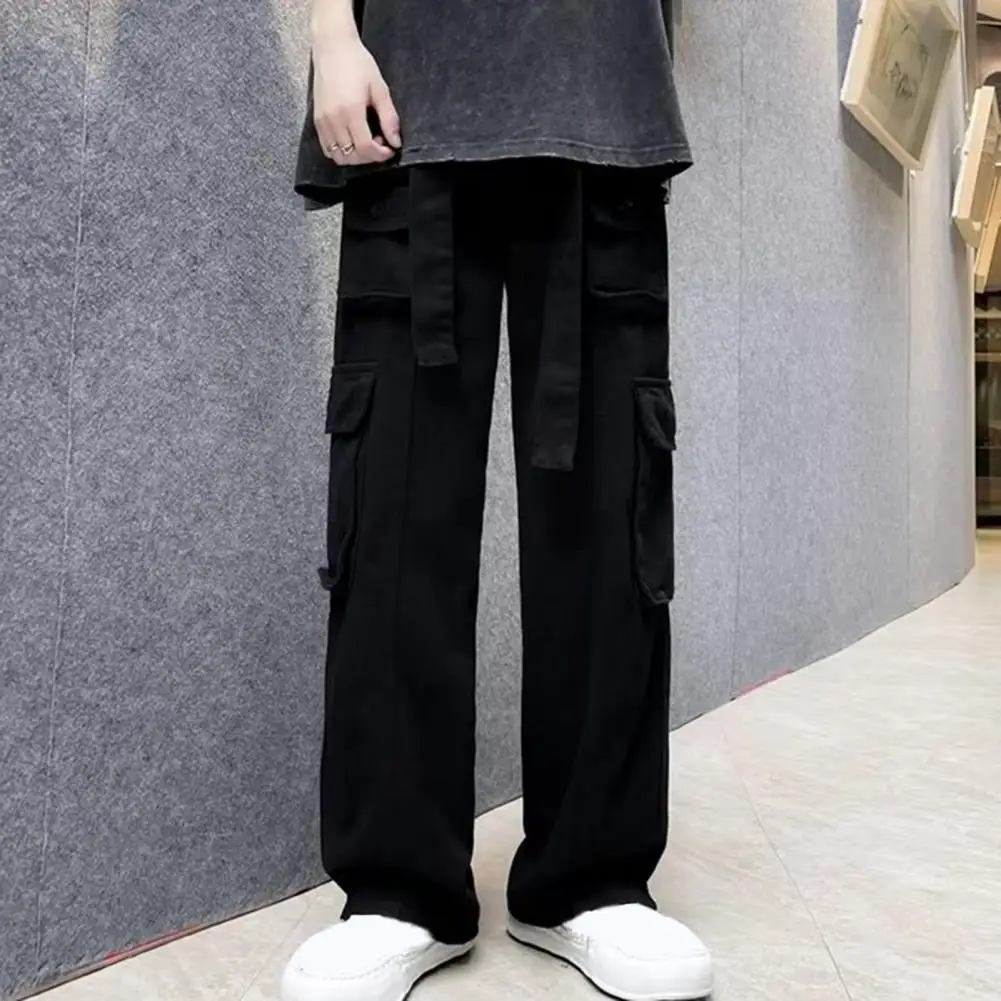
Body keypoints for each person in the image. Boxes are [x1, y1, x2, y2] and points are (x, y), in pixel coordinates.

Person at [283, 1, 713, 999]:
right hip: (410, 97)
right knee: (396, 509)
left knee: (605, 514)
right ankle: (398, 888)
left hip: (601, 99)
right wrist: (330, 34)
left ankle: (588, 875)